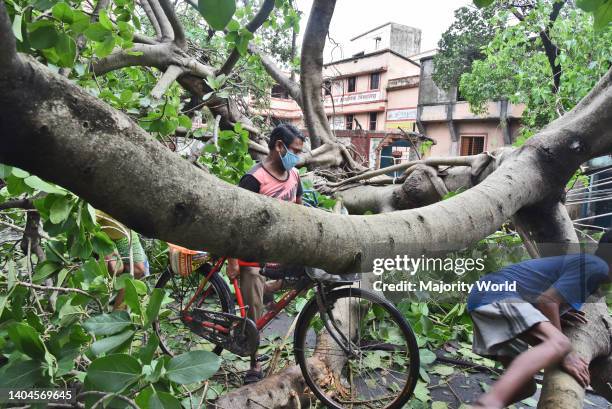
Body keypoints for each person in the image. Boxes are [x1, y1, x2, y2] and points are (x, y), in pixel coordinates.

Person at [467, 231, 612, 409]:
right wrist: (565, 354)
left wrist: (559, 313)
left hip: (487, 296)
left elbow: (544, 296)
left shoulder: (593, 268)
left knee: (524, 389)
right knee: (560, 344)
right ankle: (488, 403)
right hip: (496, 294)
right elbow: (547, 301)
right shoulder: (595, 266)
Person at [226, 123, 305, 384]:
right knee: (253, 313)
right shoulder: (254, 179)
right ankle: (253, 361)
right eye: (294, 151)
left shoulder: (294, 175)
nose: (297, 157)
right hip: (252, 255)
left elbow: (299, 211)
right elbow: (236, 223)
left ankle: (267, 289)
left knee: (303, 279)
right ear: (279, 147)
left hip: (279, 251)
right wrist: (232, 261)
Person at [96, 210, 149, 309]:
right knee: (116, 269)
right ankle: (108, 300)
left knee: (138, 270)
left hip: (126, 234)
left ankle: (118, 310)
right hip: (104, 236)